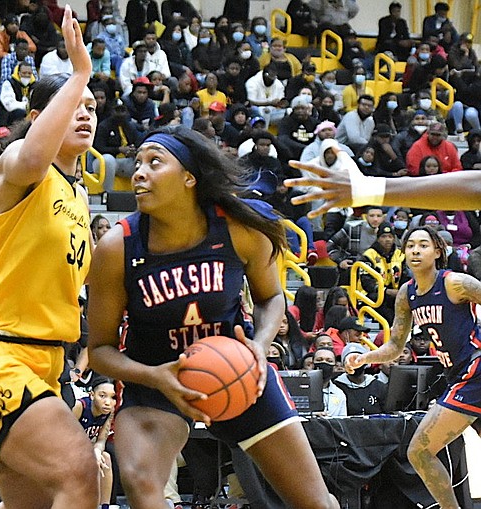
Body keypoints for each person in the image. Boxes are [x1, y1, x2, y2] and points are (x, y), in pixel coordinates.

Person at [87, 126, 339, 509]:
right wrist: (155, 376)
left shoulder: (239, 227)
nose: (138, 172)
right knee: (141, 483)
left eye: (155, 162)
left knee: (318, 504)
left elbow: (271, 298)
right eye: (137, 163)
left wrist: (258, 346)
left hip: (238, 369)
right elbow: (101, 349)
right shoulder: (116, 247)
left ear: (189, 177)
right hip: (155, 379)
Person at [0, 8, 100, 509]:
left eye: (92, 105)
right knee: (78, 472)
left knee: (35, 499)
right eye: (74, 104)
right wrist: (79, 73)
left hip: (42, 361)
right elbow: (31, 156)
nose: (86, 111)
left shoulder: (79, 197)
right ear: (38, 118)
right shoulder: (16, 166)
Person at [340, 226, 481, 508]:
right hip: (457, 375)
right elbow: (394, 346)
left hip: (474, 372)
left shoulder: (455, 283)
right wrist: (363, 358)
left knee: (419, 451)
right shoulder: (407, 294)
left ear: (438, 251)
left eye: (423, 245)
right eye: (411, 245)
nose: (416, 250)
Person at [72, 376, 115, 509]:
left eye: (112, 397)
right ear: (92, 395)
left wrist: (96, 451)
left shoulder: (109, 412)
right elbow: (64, 436)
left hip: (87, 447)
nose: (108, 402)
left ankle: (104, 506)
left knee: (105, 458)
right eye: (102, 396)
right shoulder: (80, 406)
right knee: (92, 462)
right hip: (67, 447)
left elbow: (102, 439)